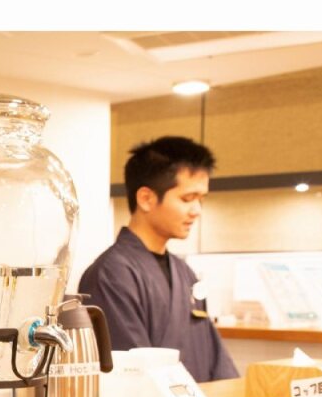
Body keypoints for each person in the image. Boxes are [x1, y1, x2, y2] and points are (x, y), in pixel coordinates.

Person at [78, 136, 238, 381]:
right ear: (146, 198)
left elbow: (216, 358)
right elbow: (132, 371)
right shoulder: (111, 274)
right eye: (187, 199)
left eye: (201, 199)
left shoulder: (185, 272)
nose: (197, 210)